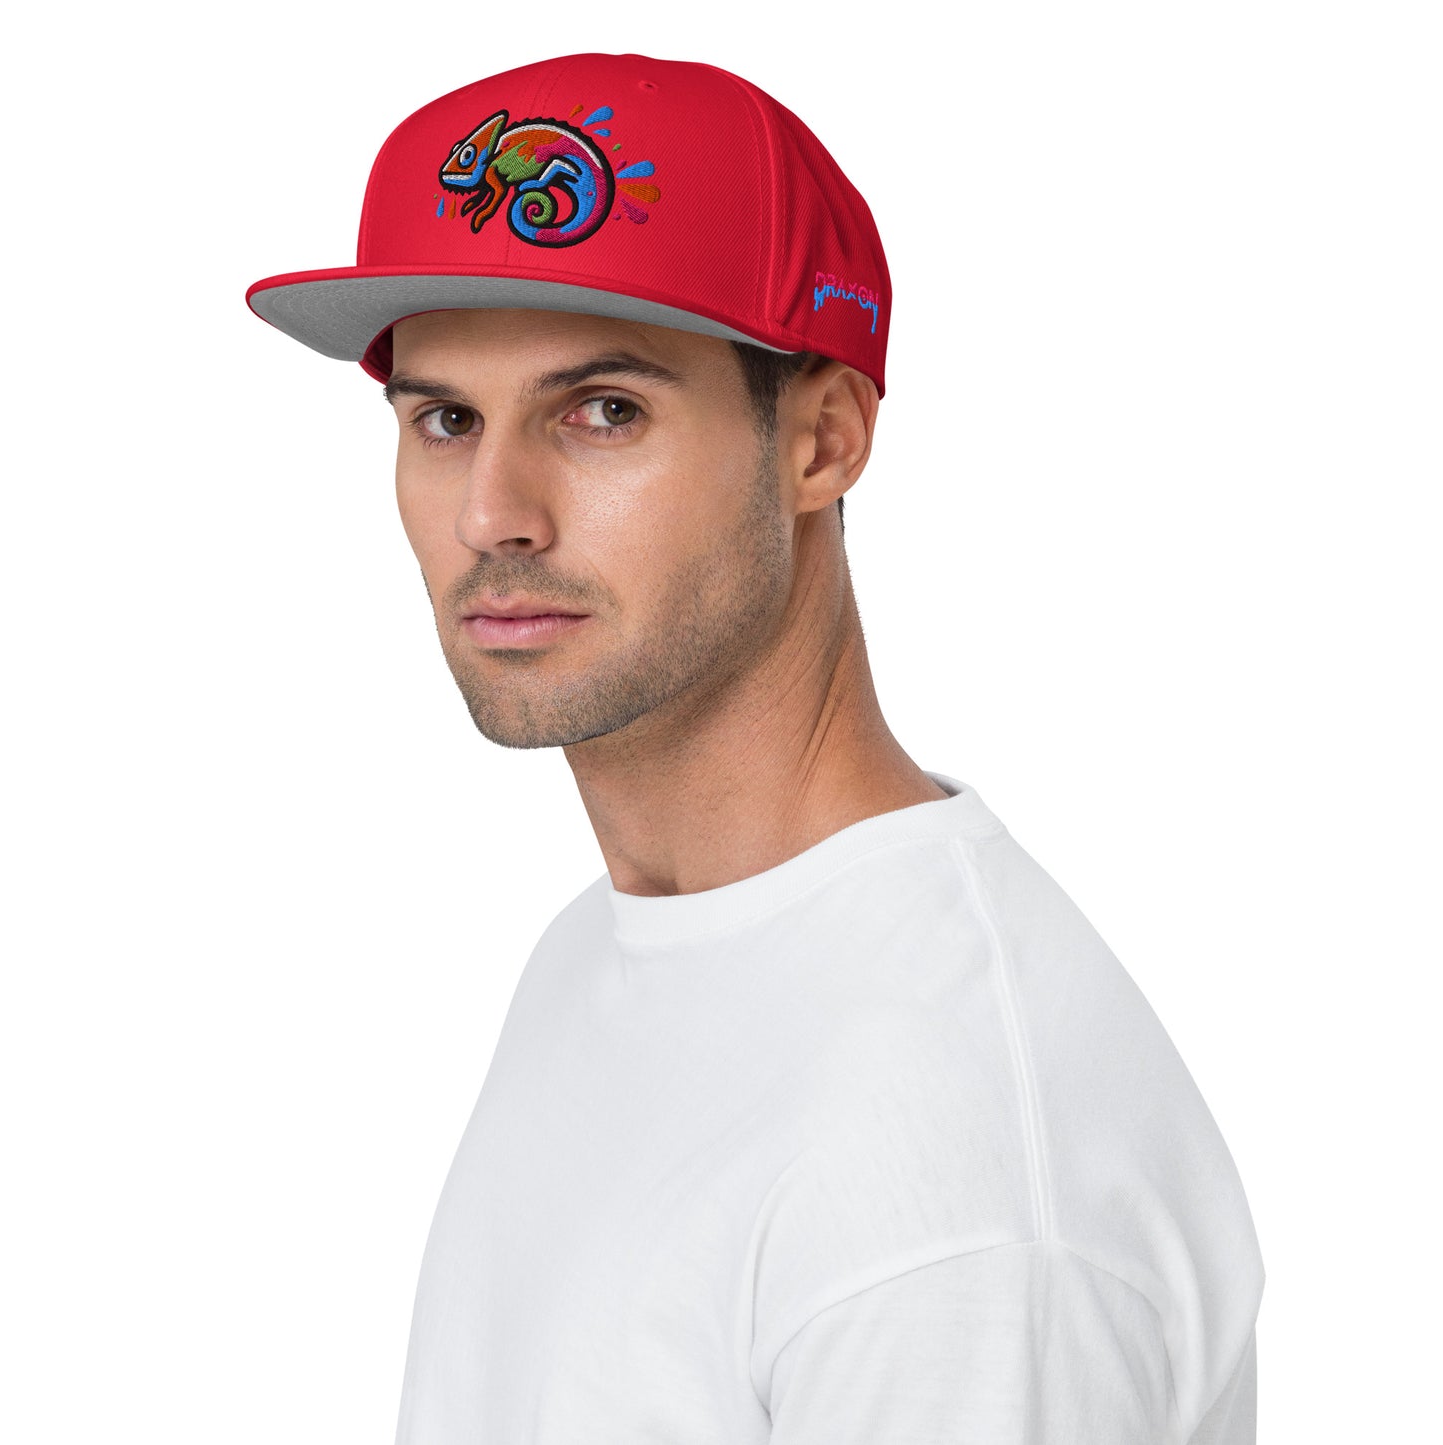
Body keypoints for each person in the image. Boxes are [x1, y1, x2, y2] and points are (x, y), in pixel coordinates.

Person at [247, 51, 1264, 1445]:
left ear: (822, 442)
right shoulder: (604, 953)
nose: (492, 513)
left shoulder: (945, 1189)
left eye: (602, 411)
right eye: (445, 419)